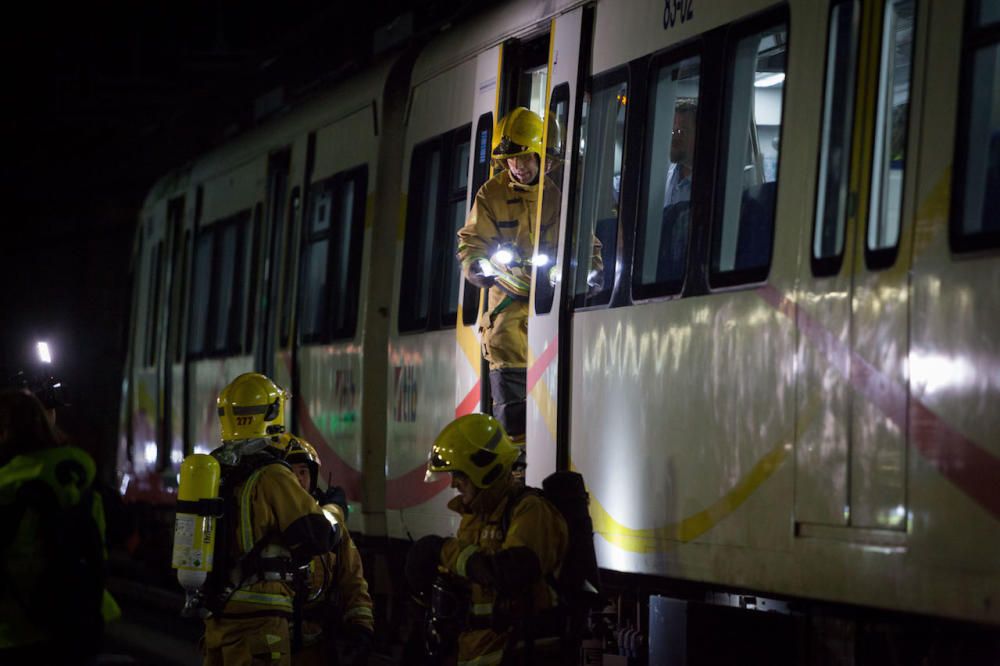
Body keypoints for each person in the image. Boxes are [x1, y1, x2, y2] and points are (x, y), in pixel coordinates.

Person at [457, 107, 602, 462]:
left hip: (556, 325)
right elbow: (472, 243)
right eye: (511, 159)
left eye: (523, 157)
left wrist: (593, 273)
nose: (517, 166)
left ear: (541, 155)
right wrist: (478, 266)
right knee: (514, 422)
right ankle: (516, 473)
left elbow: (588, 245)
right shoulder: (490, 195)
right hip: (507, 330)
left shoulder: (560, 196)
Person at [405, 413, 569, 665]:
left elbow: (513, 571)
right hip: (475, 653)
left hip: (520, 653)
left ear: (484, 469)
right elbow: (473, 583)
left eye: (458, 475)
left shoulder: (531, 510)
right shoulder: (475, 517)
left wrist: (443, 550)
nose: (454, 485)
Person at [200, 373, 340, 666]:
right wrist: (335, 513)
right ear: (273, 412)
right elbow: (317, 535)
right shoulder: (273, 474)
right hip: (260, 620)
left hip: (217, 615)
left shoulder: (213, 471)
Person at [0, 389, 121, 664]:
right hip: (81, 617)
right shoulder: (83, 472)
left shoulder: (7, 484)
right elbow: (118, 528)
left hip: (15, 629)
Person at [280, 434, 374, 666]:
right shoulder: (266, 522)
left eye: (303, 472)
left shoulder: (331, 529)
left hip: (318, 650)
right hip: (274, 649)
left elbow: (353, 581)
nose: (298, 479)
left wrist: (361, 629)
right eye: (290, 472)